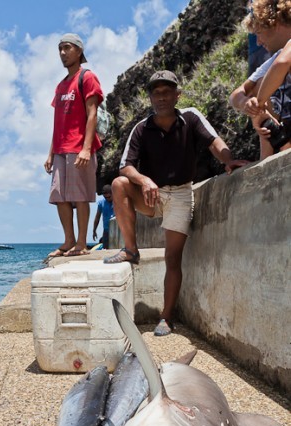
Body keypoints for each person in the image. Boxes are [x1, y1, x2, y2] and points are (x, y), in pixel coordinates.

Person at [104, 71, 248, 336]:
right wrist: (144, 180)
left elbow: (213, 142)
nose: (162, 97)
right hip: (152, 195)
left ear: (177, 95)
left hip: (181, 193)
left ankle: (166, 317)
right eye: (156, 93)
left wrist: (228, 160)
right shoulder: (141, 128)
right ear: (150, 98)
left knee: (173, 257)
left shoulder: (190, 117)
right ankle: (131, 250)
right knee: (118, 184)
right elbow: (125, 166)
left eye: (167, 91)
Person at [44, 33, 104, 258]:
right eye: (60, 49)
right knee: (59, 196)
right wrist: (50, 153)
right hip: (60, 150)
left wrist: (87, 148)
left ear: (79, 51)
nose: (62, 53)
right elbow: (57, 122)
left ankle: (81, 242)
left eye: (67, 48)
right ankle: (68, 240)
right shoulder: (60, 86)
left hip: (79, 146)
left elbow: (92, 113)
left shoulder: (87, 77)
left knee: (79, 196)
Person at [229, 0, 291, 158]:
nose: (257, 42)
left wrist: (259, 103)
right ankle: (267, 160)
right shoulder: (273, 59)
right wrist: (250, 106)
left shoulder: (281, 58)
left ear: (273, 23)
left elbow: (282, 64)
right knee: (258, 89)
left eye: (258, 33)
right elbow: (236, 95)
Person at [92, 184, 115, 249]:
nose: (107, 199)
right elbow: (97, 218)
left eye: (109, 197)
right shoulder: (101, 203)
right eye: (105, 197)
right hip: (106, 230)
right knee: (106, 248)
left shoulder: (118, 201)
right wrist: (94, 230)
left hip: (117, 229)